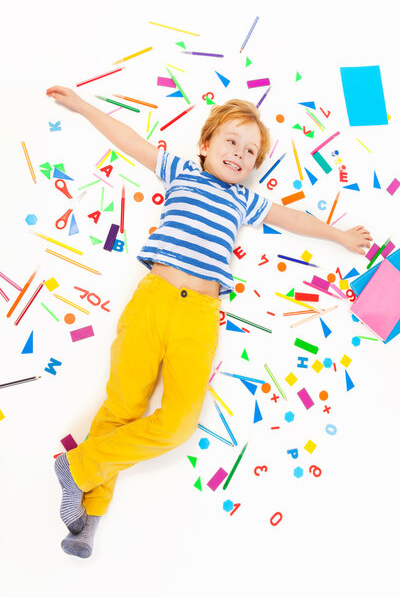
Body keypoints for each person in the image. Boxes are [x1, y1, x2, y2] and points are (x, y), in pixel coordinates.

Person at [47, 86, 372, 558]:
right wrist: (82, 105)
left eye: (250, 152)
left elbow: (293, 218)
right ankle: (87, 520)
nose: (240, 154)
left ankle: (75, 470)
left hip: (199, 318)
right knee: (121, 410)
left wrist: (339, 235)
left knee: (178, 425)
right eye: (231, 142)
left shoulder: (245, 200)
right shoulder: (179, 171)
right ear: (205, 145)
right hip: (153, 301)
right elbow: (128, 140)